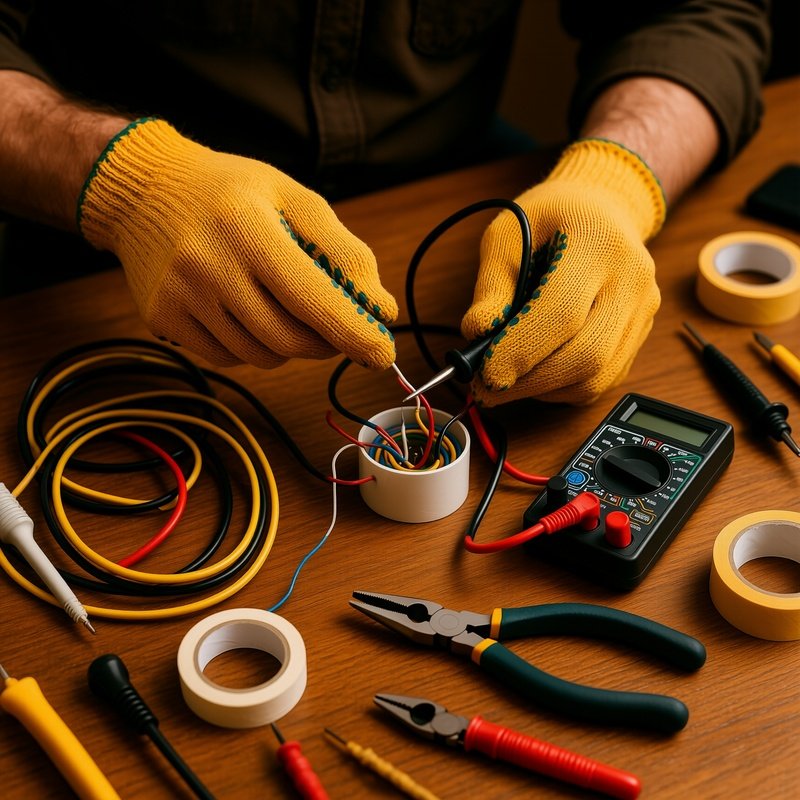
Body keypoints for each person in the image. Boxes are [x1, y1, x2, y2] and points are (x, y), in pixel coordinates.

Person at [0, 1, 770, 405]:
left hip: (453, 185)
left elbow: (692, 12)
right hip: (73, 233)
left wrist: (616, 180)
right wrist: (130, 184)